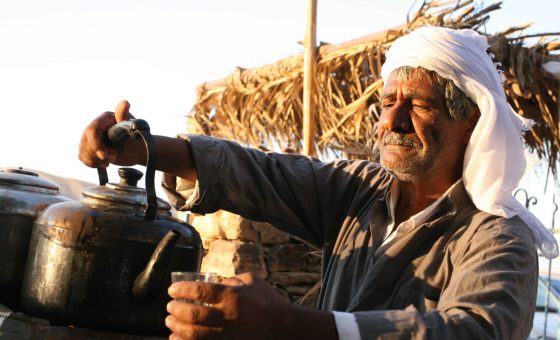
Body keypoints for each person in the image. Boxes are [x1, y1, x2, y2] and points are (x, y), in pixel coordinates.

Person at [79, 26, 558, 340]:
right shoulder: (360, 190)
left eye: (419, 104)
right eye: (388, 101)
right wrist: (147, 146)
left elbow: (472, 331)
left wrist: (291, 325)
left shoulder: (498, 236)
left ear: (469, 120)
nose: (393, 119)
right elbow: (261, 173)